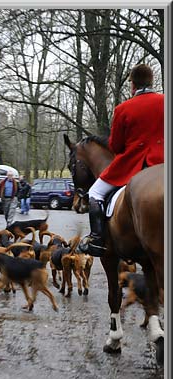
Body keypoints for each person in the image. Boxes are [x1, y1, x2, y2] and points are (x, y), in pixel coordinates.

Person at [81, 63, 164, 256]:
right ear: (151, 81)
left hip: (134, 165)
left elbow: (116, 146)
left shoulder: (123, 109)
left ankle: (97, 240)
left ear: (133, 85)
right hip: (163, 162)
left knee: (95, 193)